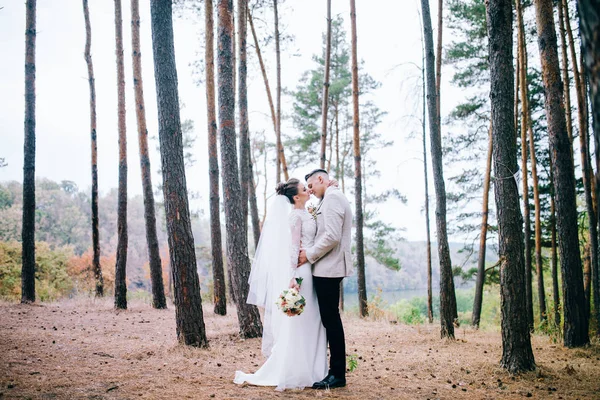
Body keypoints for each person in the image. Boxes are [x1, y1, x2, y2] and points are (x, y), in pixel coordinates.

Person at [233, 178, 327, 391]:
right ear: (296, 197)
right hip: (302, 272)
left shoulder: (307, 212)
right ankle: (298, 371)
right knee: (302, 321)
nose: (308, 190)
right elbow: (293, 247)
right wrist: (293, 276)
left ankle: (314, 369)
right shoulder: (295, 216)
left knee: (312, 320)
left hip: (311, 268)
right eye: (305, 189)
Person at [299, 168, 353, 390]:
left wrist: (309, 254)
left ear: (321, 179)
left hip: (328, 269)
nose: (310, 191)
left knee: (331, 322)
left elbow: (331, 236)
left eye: (311, 186)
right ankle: (333, 370)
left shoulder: (332, 199)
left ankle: (337, 374)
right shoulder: (331, 196)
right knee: (330, 321)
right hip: (326, 268)